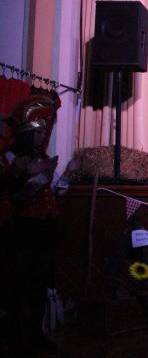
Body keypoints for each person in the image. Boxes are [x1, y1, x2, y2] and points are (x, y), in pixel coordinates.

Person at [1, 95, 61, 353]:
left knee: (39, 285)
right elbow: (11, 195)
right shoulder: (10, 158)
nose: (41, 136)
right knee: (19, 287)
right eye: (37, 132)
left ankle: (36, 335)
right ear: (26, 133)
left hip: (44, 229)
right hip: (23, 231)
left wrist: (55, 174)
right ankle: (17, 340)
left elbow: (50, 192)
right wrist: (27, 174)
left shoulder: (40, 157)